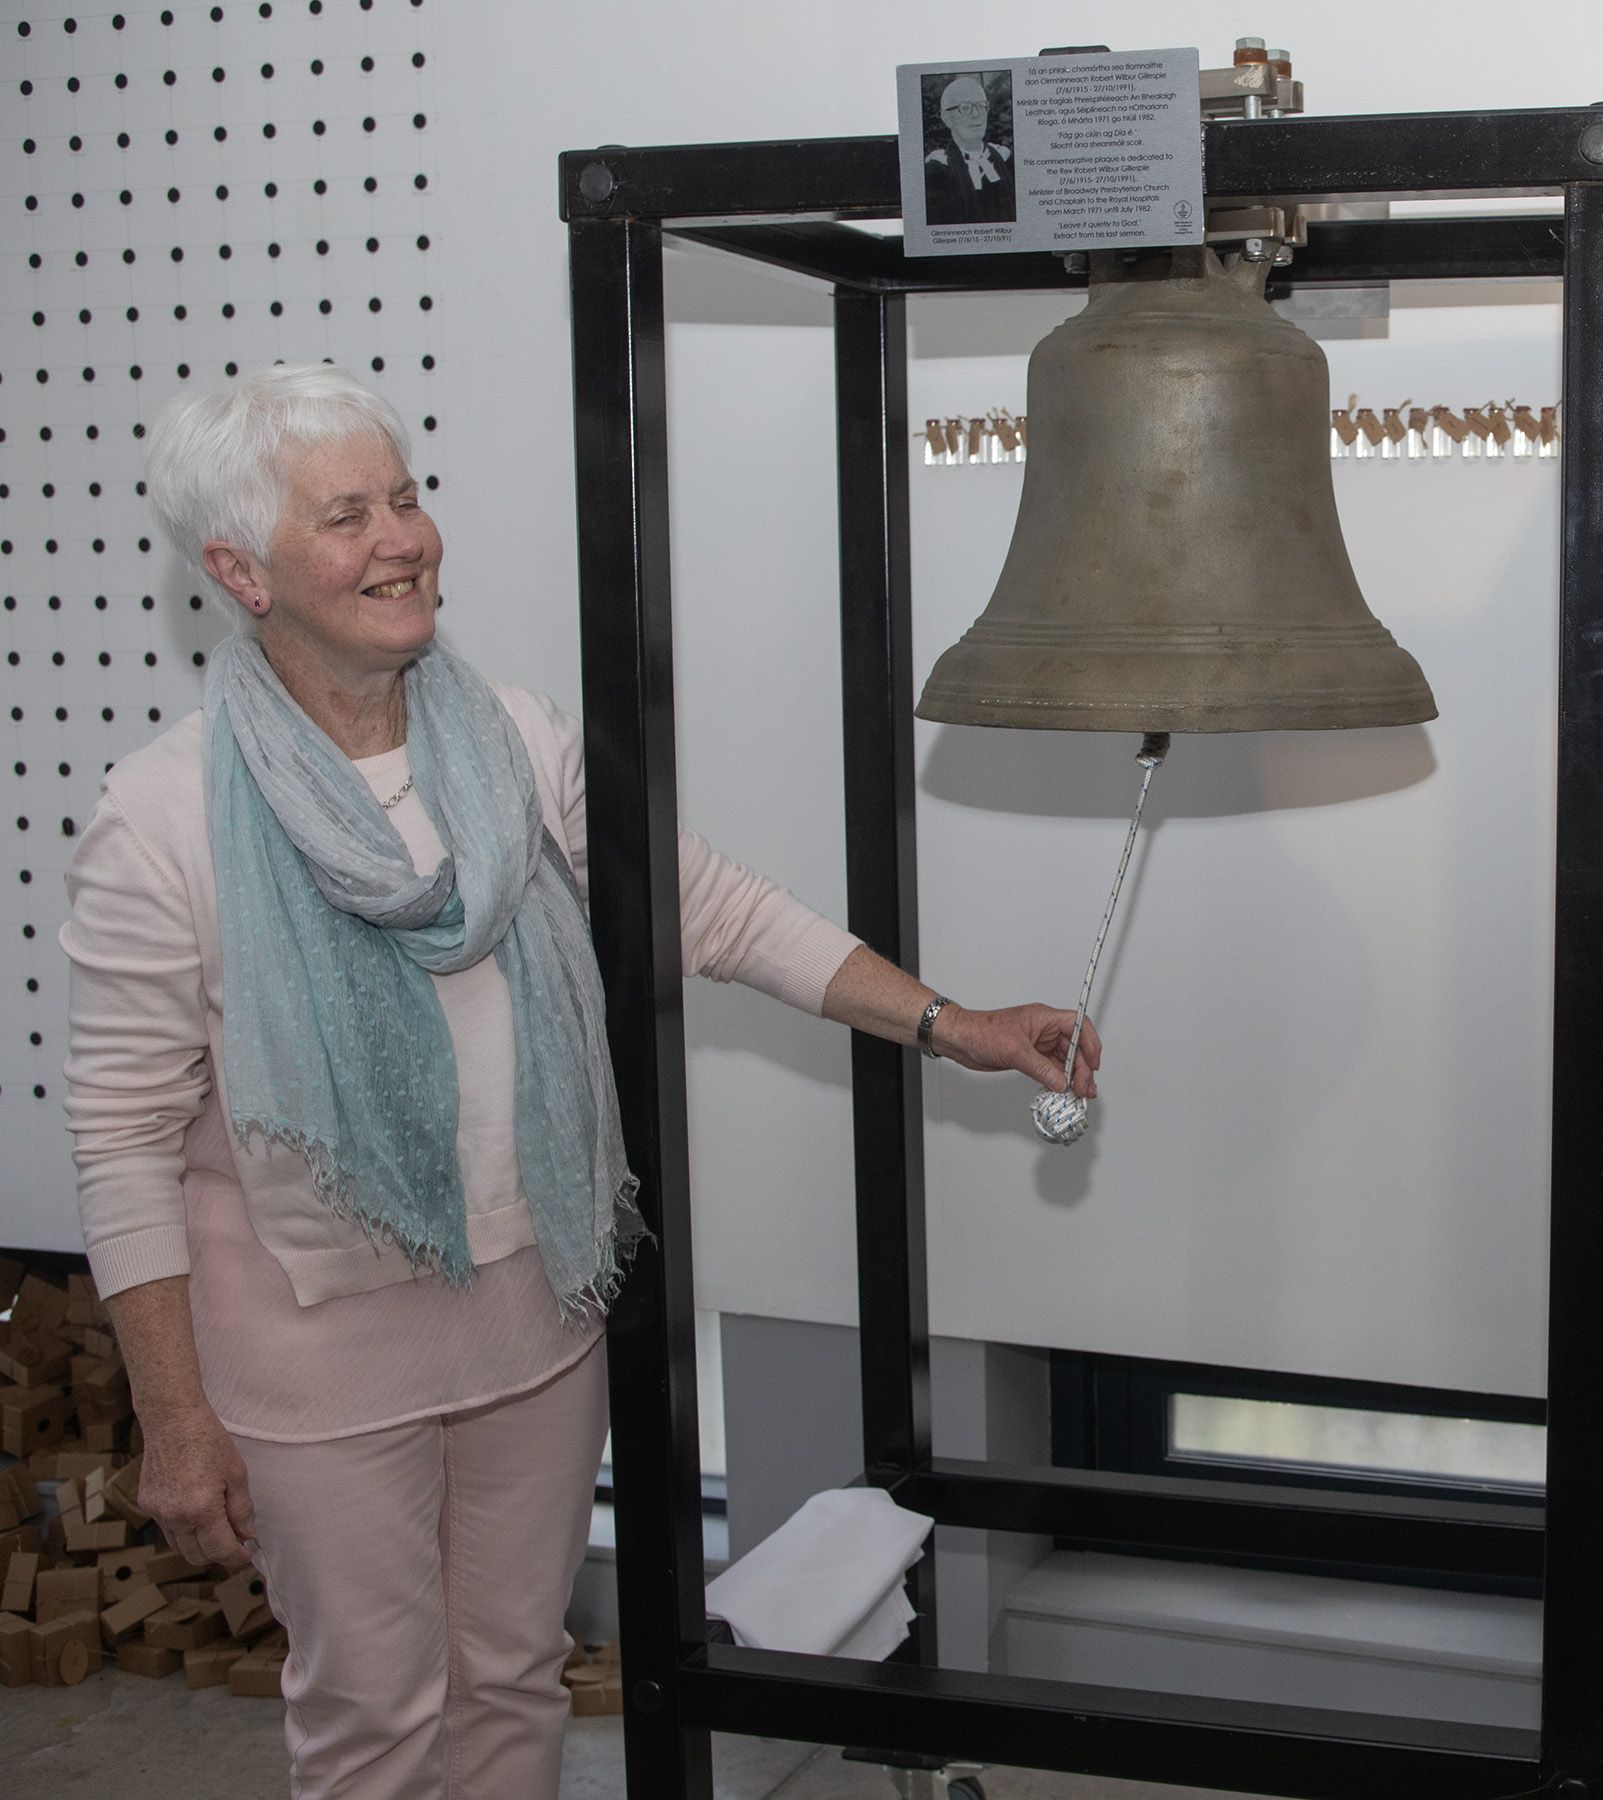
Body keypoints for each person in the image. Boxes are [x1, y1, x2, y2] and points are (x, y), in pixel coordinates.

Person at [62, 363, 1098, 1800]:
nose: (404, 538)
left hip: (533, 1319)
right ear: (239, 569)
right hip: (313, 1360)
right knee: (374, 1718)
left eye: (408, 497)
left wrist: (952, 1023)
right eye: (347, 515)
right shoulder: (165, 815)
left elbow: (716, 909)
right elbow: (119, 1139)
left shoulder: (515, 745)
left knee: (509, 1681)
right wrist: (176, 1422)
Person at [922, 72, 1016, 226]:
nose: (976, 115)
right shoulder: (936, 172)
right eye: (965, 108)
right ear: (946, 118)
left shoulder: (1006, 161)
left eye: (981, 106)